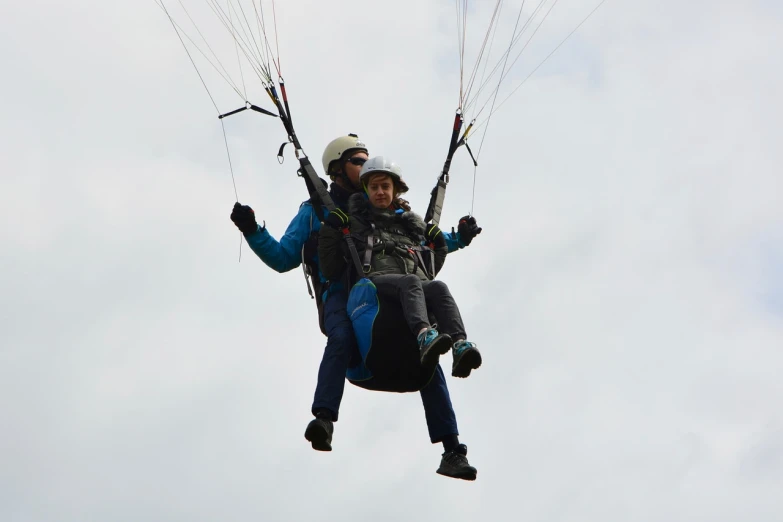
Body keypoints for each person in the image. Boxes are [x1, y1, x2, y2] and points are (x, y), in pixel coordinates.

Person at [229, 135, 483, 456]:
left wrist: (458, 237)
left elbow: (409, 238)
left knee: (425, 347)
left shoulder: (378, 203)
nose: (367, 166)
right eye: (358, 161)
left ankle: (451, 448)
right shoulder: (316, 210)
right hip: (340, 292)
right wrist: (252, 229)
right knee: (342, 335)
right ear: (337, 168)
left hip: (385, 286)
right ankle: (324, 419)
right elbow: (283, 257)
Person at [318, 156, 482, 480]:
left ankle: (460, 349)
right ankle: (424, 334)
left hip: (406, 299)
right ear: (366, 190)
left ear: (395, 190)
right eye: (375, 187)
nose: (380, 192)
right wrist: (331, 228)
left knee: (437, 287)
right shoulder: (355, 221)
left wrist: (438, 240)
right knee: (412, 286)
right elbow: (332, 268)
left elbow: (432, 262)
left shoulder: (410, 224)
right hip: (373, 291)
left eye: (386, 186)